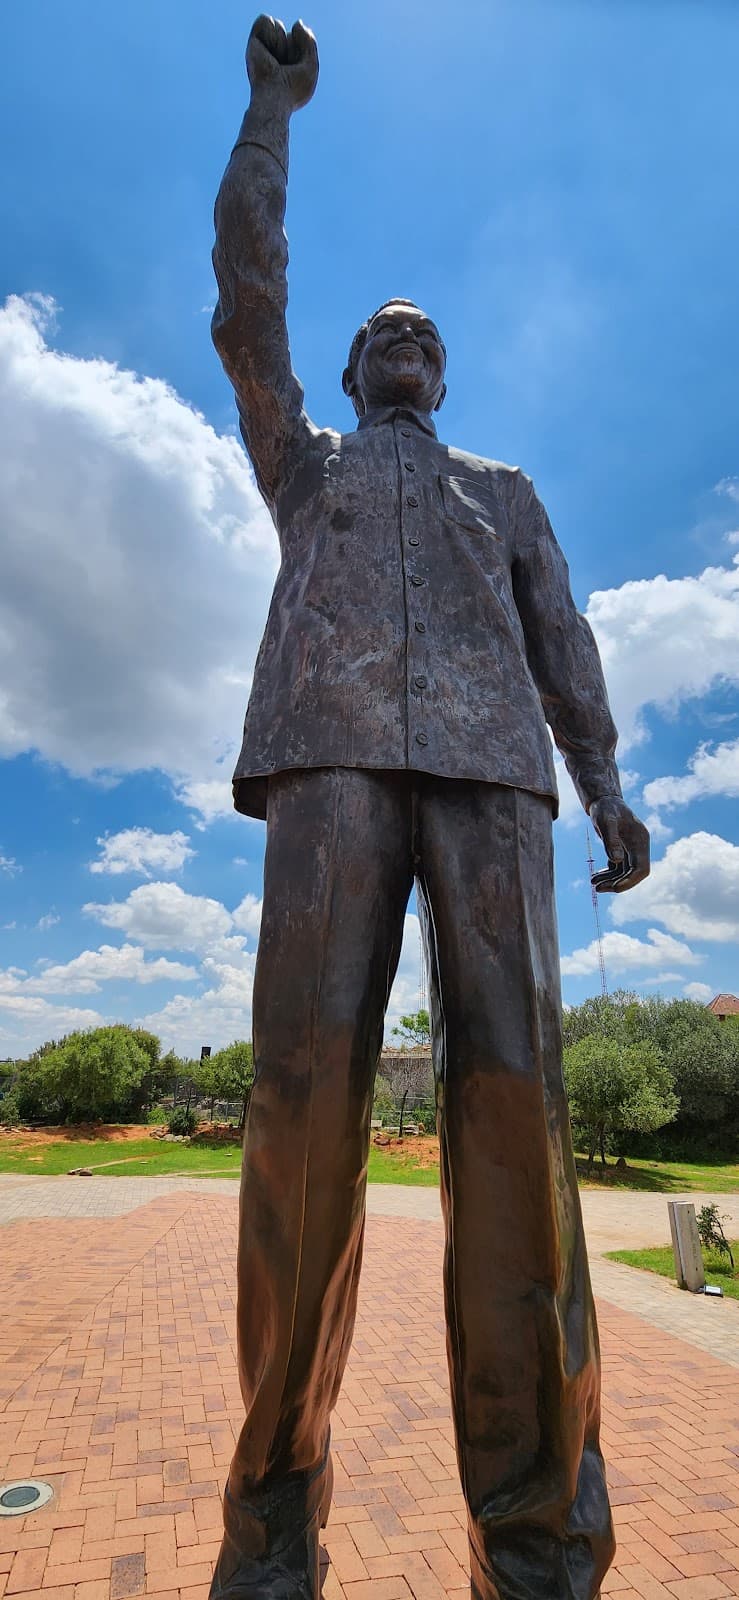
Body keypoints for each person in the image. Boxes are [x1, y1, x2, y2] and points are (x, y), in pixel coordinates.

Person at [208, 16, 650, 1600]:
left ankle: (538, 1543)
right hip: (329, 766)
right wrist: (271, 114)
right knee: (303, 1116)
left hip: (496, 784)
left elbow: (565, 646)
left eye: (424, 333)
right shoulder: (307, 465)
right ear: (348, 374)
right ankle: (271, 1527)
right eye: (381, 332)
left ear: (442, 375)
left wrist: (607, 790)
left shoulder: (505, 494)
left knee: (518, 1128)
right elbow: (245, 300)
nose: (404, 340)